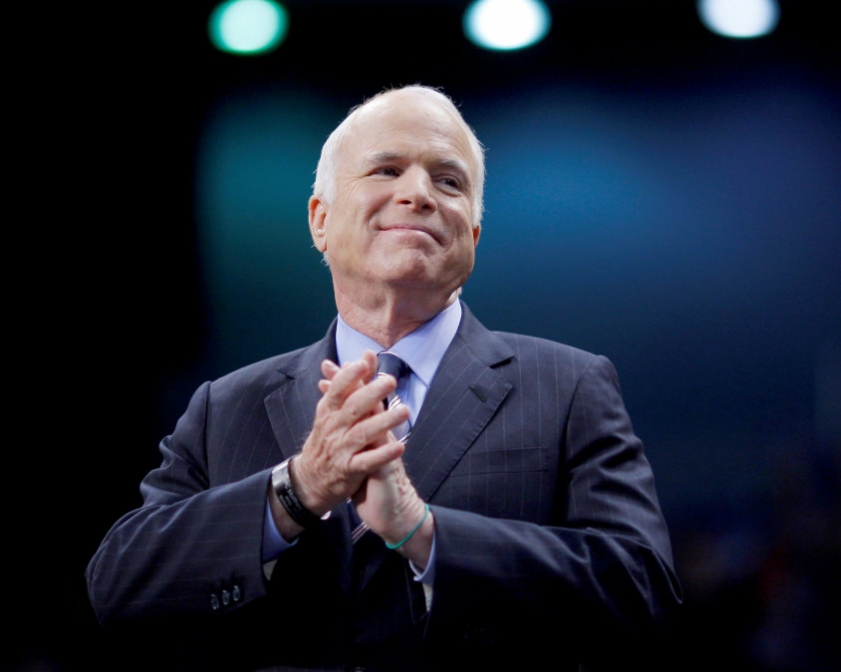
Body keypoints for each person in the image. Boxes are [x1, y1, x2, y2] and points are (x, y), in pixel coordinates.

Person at [87, 85, 682, 671]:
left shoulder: (569, 387)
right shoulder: (226, 406)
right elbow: (121, 585)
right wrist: (298, 488)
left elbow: (642, 591)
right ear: (321, 221)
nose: (419, 193)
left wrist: (424, 533)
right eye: (387, 170)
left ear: (471, 239)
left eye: (449, 181)